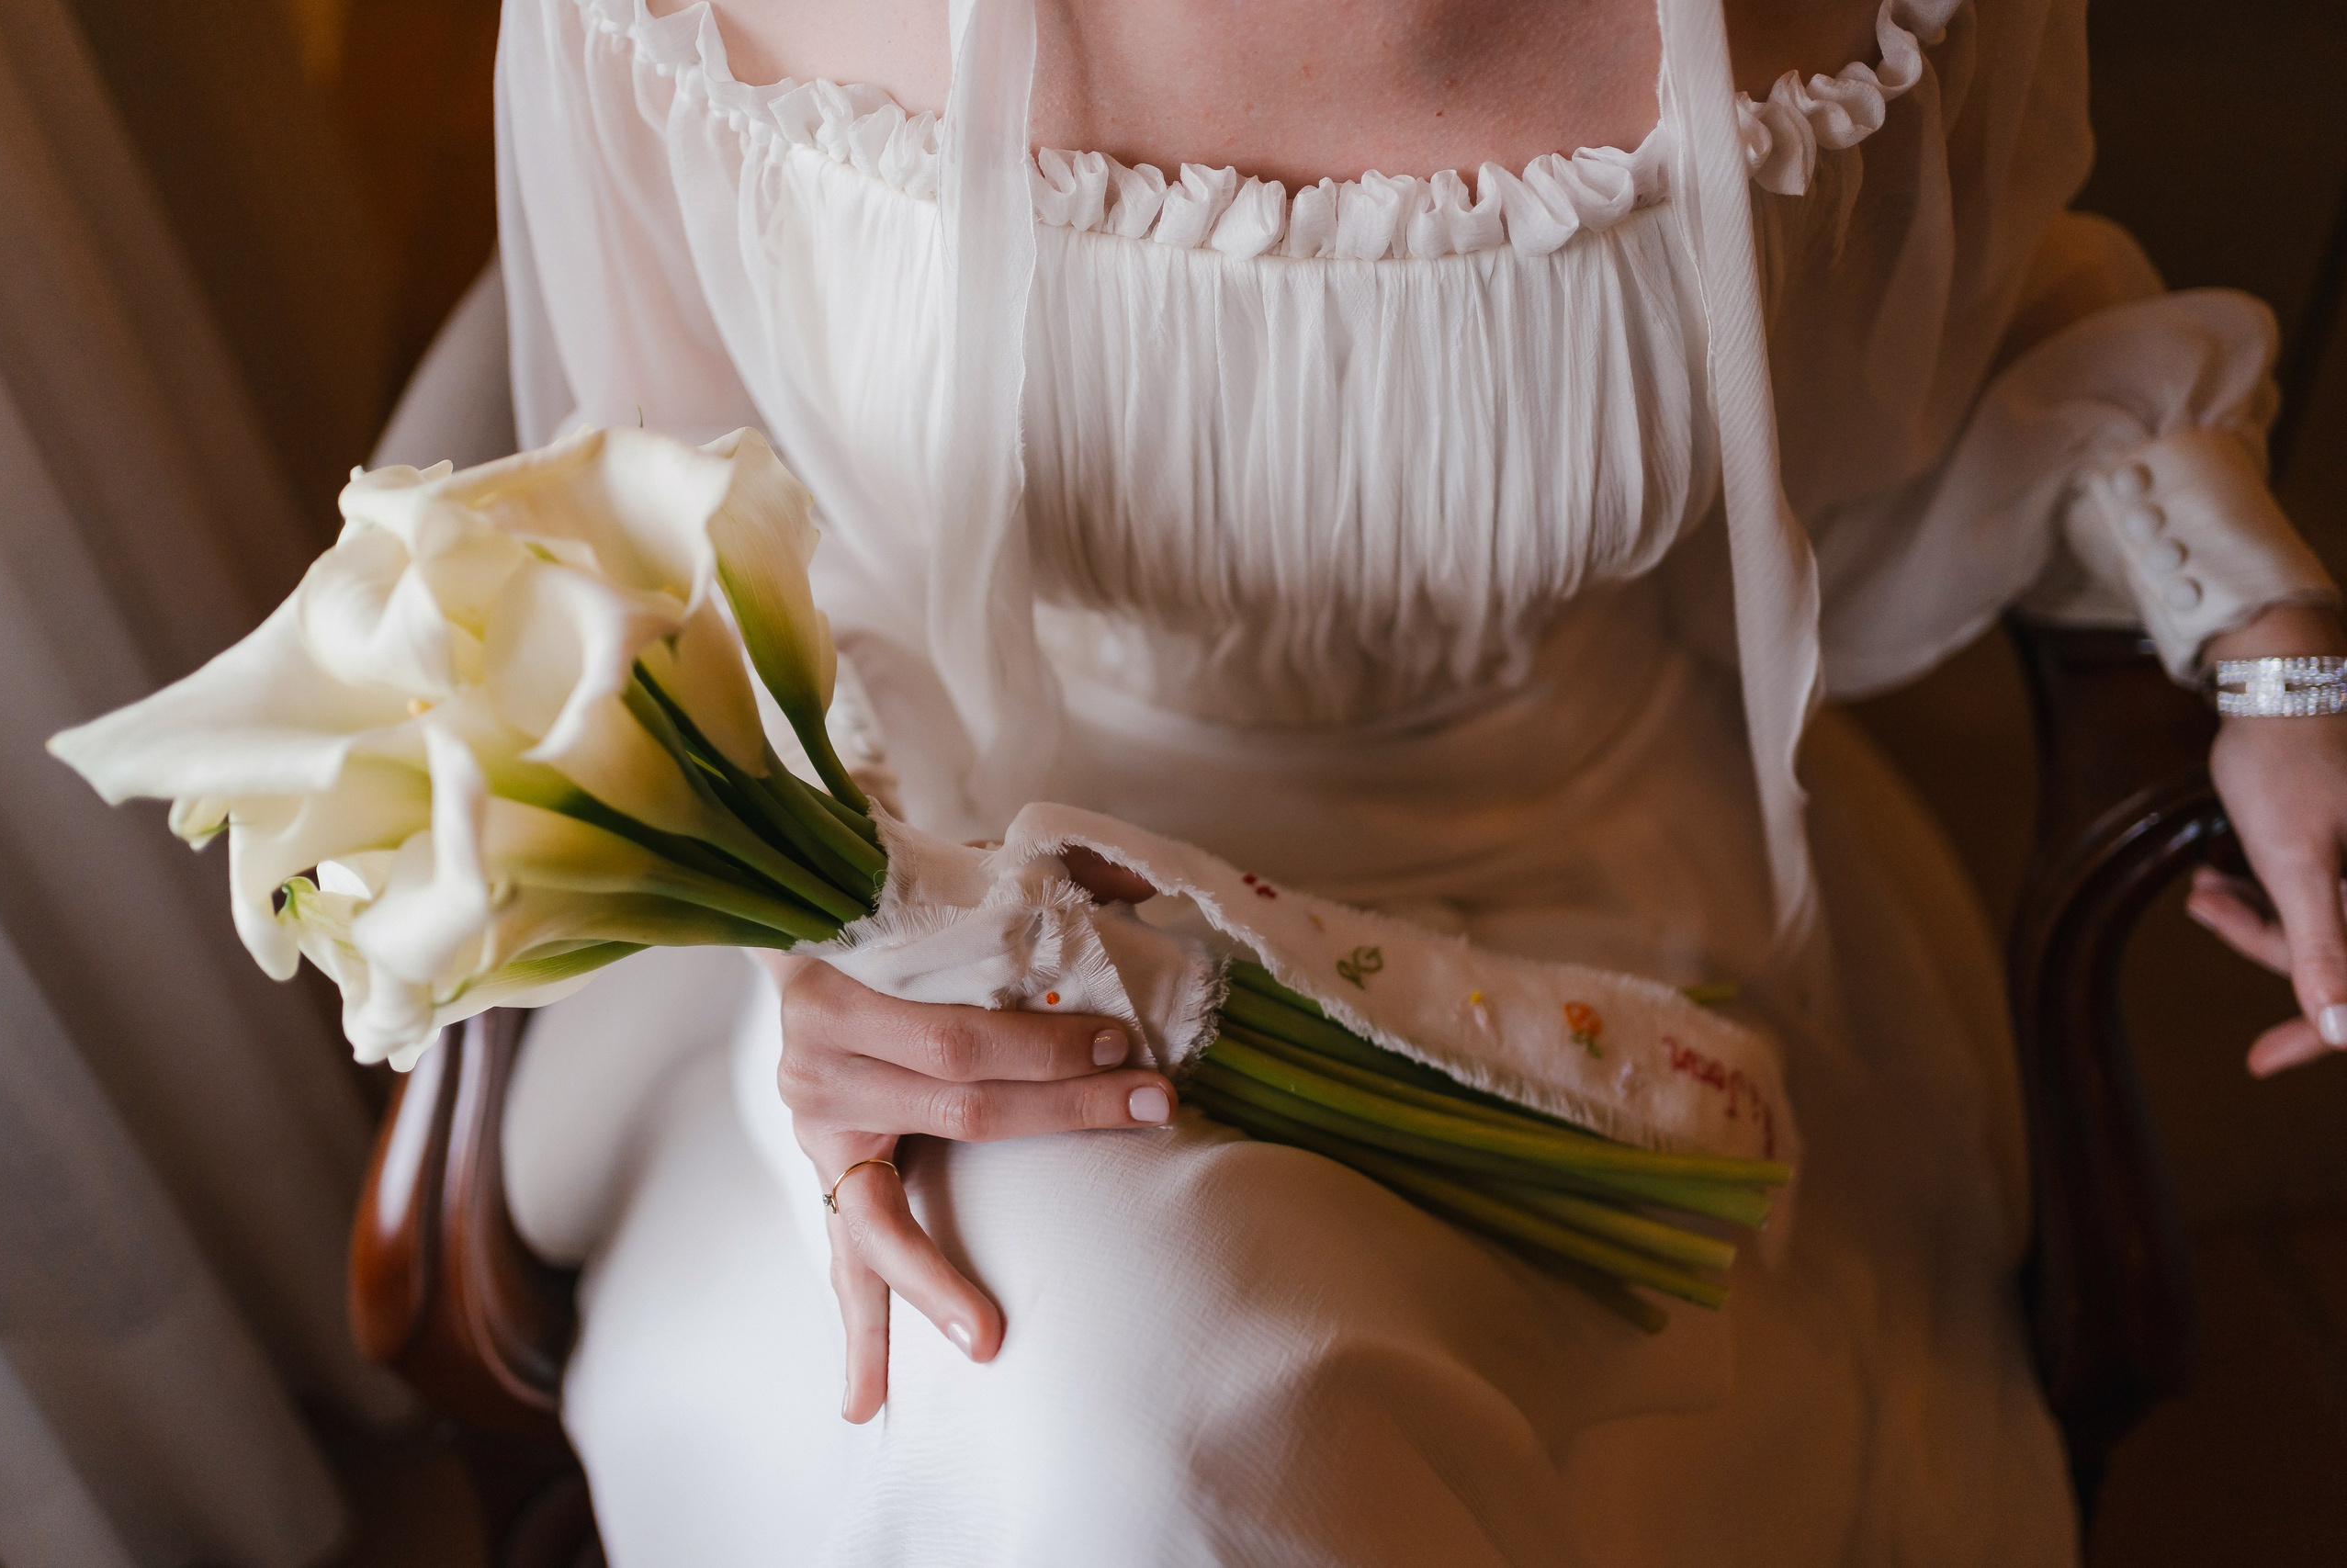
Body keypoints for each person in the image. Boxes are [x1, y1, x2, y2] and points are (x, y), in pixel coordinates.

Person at [485, 0, 2347, 1562]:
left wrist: (2274, 651)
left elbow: (1973, 321)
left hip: (1576, 896)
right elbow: (655, 516)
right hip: (959, 904)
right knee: (1106, 1417)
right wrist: (817, 936)